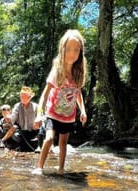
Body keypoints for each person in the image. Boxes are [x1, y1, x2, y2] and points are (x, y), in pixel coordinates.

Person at [32, 29, 87, 174]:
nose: (72, 53)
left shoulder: (78, 73)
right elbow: (44, 94)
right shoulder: (57, 71)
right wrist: (39, 114)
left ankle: (61, 168)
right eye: (69, 49)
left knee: (63, 143)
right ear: (62, 49)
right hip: (52, 113)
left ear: (80, 53)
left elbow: (78, 93)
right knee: (49, 138)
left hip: (68, 116)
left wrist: (83, 110)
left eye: (76, 50)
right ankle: (39, 167)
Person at [5, 86, 41, 151]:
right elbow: (13, 115)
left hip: (33, 131)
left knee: (42, 130)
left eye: (24, 96)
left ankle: (37, 146)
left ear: (29, 97)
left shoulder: (36, 106)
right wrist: (9, 118)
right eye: (21, 96)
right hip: (22, 132)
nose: (22, 98)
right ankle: (23, 146)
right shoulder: (17, 106)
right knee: (15, 136)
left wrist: (38, 121)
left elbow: (40, 115)